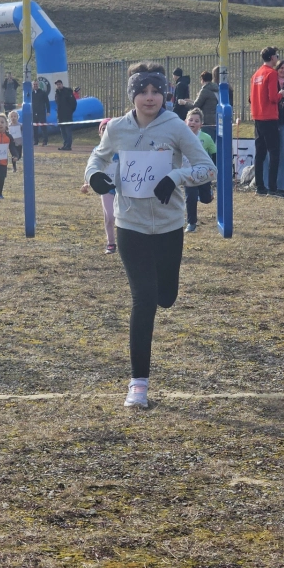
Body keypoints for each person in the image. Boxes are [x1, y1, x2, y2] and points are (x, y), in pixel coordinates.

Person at [85, 62, 216, 408]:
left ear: (165, 95)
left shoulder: (175, 126)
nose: (149, 97)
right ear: (132, 95)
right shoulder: (117, 128)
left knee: (165, 297)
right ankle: (138, 384)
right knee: (143, 299)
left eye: (156, 91)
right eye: (142, 91)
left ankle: (162, 293)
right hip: (130, 225)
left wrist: (175, 177)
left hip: (169, 227)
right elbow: (96, 160)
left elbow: (207, 168)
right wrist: (95, 176)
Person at [250, 46, 284, 197]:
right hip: (269, 117)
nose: (277, 58)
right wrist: (281, 94)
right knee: (274, 153)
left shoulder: (256, 74)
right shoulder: (271, 73)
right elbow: (273, 97)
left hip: (257, 117)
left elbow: (251, 98)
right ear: (272, 57)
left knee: (260, 153)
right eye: (276, 56)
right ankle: (273, 188)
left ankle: (260, 186)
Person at [81, 119, 118, 254]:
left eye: (109, 129)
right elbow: (92, 168)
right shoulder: (97, 151)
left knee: (125, 218)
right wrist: (87, 183)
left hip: (123, 188)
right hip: (106, 189)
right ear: (99, 133)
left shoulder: (122, 148)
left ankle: (127, 243)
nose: (106, 131)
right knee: (110, 217)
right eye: (103, 129)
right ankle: (111, 243)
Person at [263, 59, 284, 198]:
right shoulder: (271, 81)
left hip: (283, 123)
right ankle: (266, 185)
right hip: (270, 121)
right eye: (281, 68)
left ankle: (280, 187)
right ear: (276, 69)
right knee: (268, 154)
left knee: (282, 154)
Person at [183, 108, 216, 233]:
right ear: (186, 121)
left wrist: (214, 168)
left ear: (201, 124)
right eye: (191, 120)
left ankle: (208, 192)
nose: (193, 122)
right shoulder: (181, 136)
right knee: (190, 197)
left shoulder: (206, 138)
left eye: (196, 121)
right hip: (188, 174)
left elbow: (214, 153)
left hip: (204, 174)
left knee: (205, 199)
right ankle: (191, 223)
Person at [178, 71, 219, 141]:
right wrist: (191, 101)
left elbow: (195, 106)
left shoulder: (205, 90)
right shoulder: (215, 89)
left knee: (205, 142)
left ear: (202, 80)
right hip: (214, 120)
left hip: (206, 122)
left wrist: (184, 103)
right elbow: (206, 103)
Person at [55, 79, 77, 151]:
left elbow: (73, 103)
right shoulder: (57, 93)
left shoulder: (67, 92)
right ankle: (65, 144)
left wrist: (70, 111)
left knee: (68, 131)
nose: (58, 86)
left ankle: (68, 145)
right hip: (60, 116)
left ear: (62, 84)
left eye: (59, 84)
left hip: (67, 115)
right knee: (63, 131)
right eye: (57, 85)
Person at [31, 80, 50, 146]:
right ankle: (35, 141)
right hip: (34, 113)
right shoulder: (31, 93)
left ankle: (45, 141)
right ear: (32, 85)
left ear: (38, 85)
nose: (35, 85)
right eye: (34, 84)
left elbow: (47, 102)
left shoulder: (43, 93)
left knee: (43, 127)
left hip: (41, 112)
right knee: (34, 127)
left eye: (36, 84)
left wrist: (48, 111)